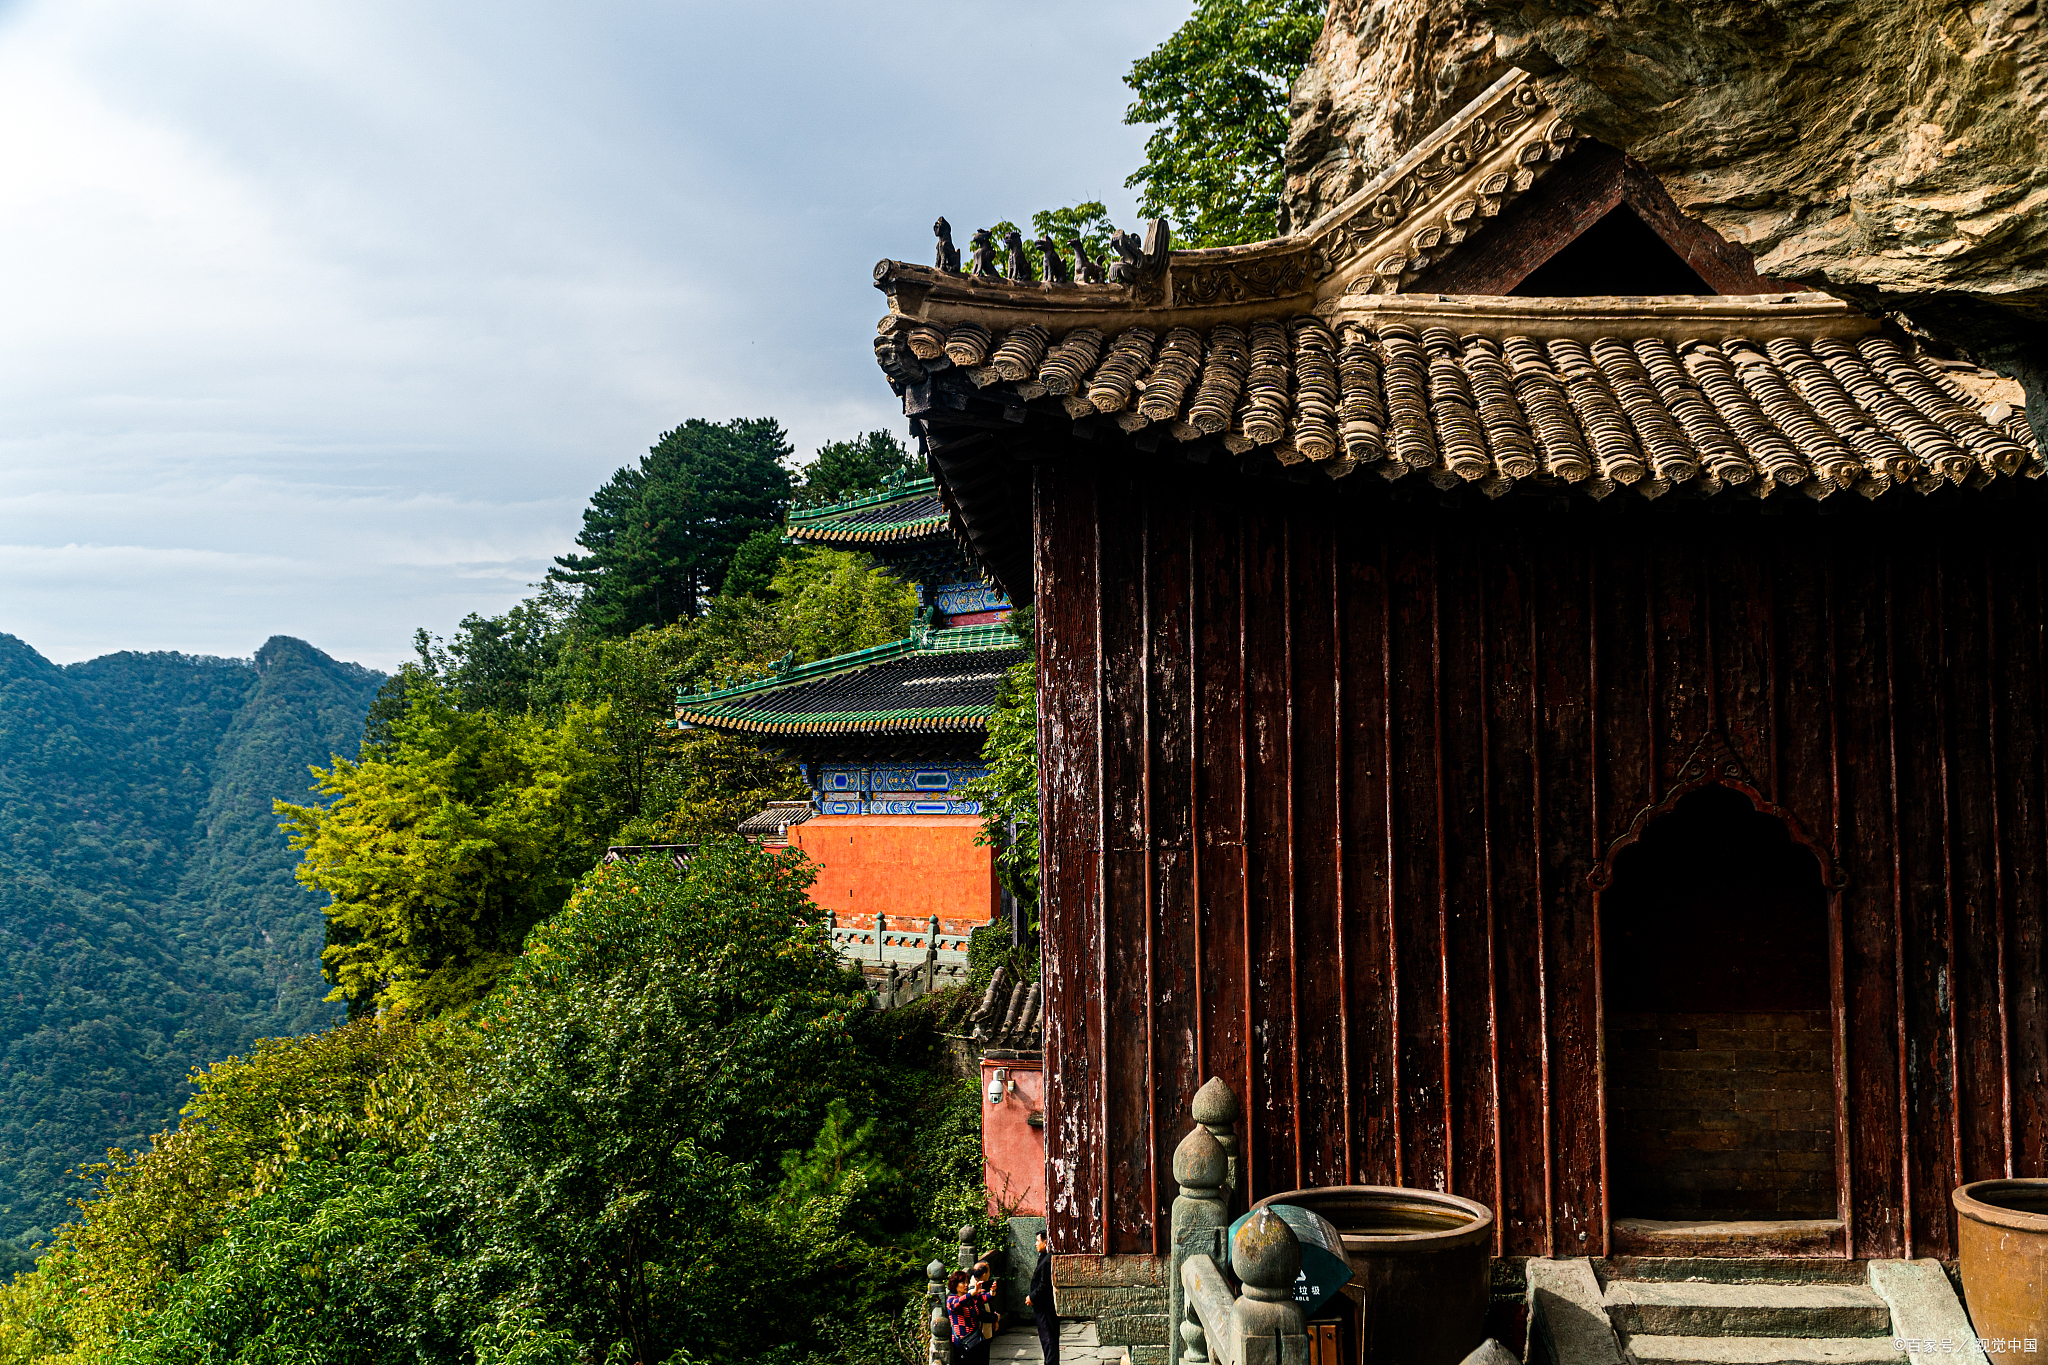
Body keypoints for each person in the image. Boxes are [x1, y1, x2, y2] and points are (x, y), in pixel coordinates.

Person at [946, 1268, 994, 1364]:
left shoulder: (970, 1297)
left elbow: (985, 1297)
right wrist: (972, 1293)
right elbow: (958, 1303)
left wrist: (993, 1291)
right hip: (963, 1342)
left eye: (967, 1282)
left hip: (976, 1339)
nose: (966, 1285)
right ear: (955, 1285)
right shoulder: (951, 1300)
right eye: (962, 1283)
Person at [1024, 1228, 1057, 1364]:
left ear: (1046, 1242)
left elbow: (1044, 1285)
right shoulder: (1044, 1258)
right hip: (1043, 1305)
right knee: (1048, 1340)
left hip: (1045, 1306)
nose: (1036, 1244)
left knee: (1048, 1339)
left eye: (1038, 1241)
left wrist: (1032, 1297)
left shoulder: (1048, 1260)